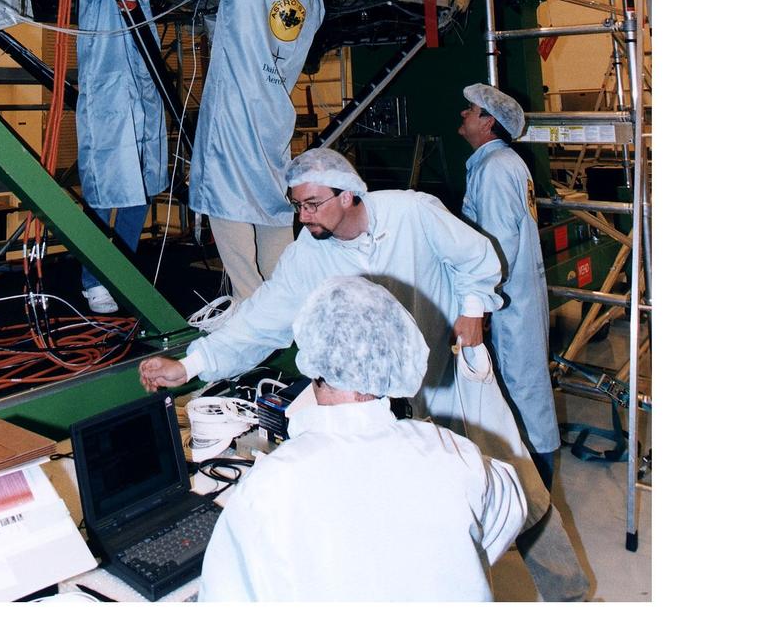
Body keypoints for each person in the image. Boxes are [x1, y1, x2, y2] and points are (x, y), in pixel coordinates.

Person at [141, 146, 590, 601]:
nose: (303, 216)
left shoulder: (413, 214)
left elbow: (477, 257)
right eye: (297, 205)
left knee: (518, 486)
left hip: (451, 379)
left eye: (312, 204)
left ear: (349, 195)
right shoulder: (308, 255)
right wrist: (190, 365)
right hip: (378, 405)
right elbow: (259, 321)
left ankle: (570, 597)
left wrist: (474, 309)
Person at [198, 275, 526, 602]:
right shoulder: (453, 453)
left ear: (312, 360)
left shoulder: (267, 488)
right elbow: (510, 509)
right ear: (396, 351)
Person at [188, 0, 328, 303]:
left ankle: (248, 306)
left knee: (225, 196)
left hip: (236, 111)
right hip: (273, 117)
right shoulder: (314, 5)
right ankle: (286, 301)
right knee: (270, 203)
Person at [460, 83, 560, 488]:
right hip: (513, 301)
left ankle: (536, 493)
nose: (463, 116)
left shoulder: (497, 168)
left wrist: (477, 309)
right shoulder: (499, 163)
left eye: (470, 111)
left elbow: (498, 245)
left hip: (507, 306)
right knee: (524, 390)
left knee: (521, 394)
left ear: (488, 121)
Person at [74, 0, 168, 313]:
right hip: (108, 91)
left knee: (140, 188)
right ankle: (94, 280)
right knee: (102, 190)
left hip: (142, 86)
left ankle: (123, 271)